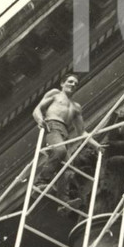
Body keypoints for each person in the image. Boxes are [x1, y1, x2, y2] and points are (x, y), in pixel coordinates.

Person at [32, 73, 85, 203]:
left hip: (65, 133)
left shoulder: (76, 107)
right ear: (62, 83)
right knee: (60, 151)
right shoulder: (55, 94)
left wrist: (97, 146)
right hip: (53, 126)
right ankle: (40, 182)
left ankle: (64, 201)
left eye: (76, 84)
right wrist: (40, 119)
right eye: (70, 82)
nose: (73, 85)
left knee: (68, 167)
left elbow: (82, 133)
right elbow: (37, 109)